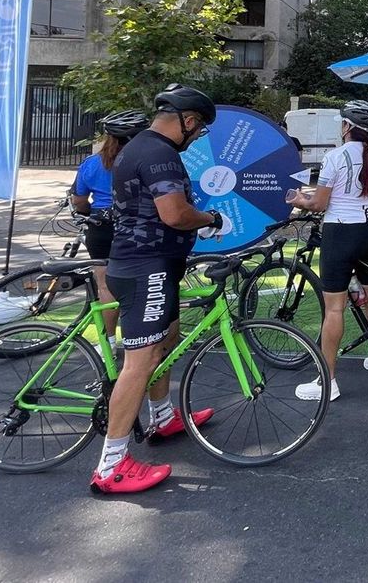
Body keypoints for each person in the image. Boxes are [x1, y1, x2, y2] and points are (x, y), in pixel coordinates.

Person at [91, 85, 223, 494]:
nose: (197, 135)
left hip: (151, 265)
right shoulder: (159, 154)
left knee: (167, 338)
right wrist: (212, 218)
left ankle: (163, 417)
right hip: (144, 267)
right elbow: (175, 213)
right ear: (186, 120)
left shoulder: (140, 147)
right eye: (197, 128)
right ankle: (111, 464)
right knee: (142, 359)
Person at [289, 100, 368, 401]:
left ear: (346, 126)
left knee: (334, 308)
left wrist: (300, 200)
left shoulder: (335, 156)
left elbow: (320, 204)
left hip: (342, 231)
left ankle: (326, 381)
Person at [69, 109, 149, 352]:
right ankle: (142, 340)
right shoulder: (144, 161)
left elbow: (79, 199)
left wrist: (86, 213)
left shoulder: (92, 164)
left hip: (100, 228)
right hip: (135, 226)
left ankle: (108, 343)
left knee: (105, 285)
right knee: (141, 283)